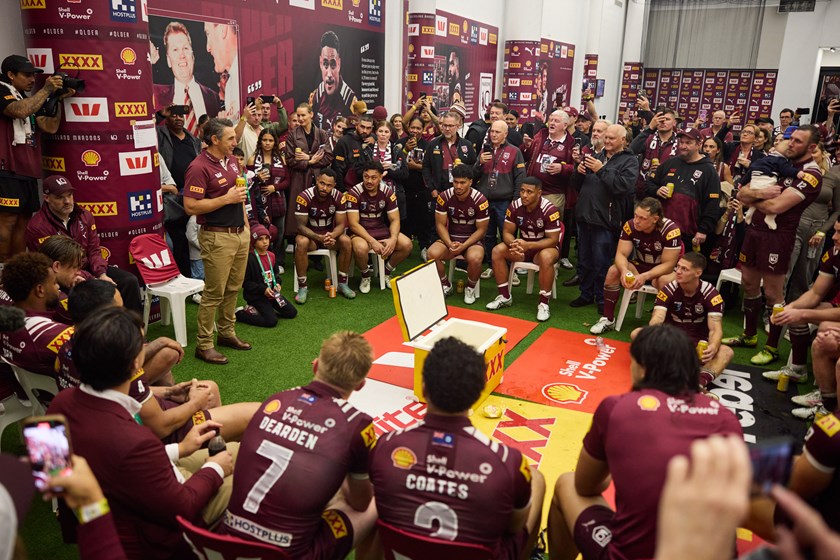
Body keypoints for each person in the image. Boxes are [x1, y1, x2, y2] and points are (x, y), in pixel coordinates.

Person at [47, 306, 235, 560]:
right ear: (136, 363)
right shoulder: (136, 441)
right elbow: (183, 507)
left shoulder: (59, 403)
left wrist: (179, 449)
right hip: (154, 538)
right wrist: (215, 468)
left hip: (107, 516)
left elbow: (50, 478)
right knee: (245, 470)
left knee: (236, 450)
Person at [546, 324, 743, 560]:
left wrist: (617, 463)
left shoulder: (617, 408)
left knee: (566, 483)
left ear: (641, 368)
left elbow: (585, 486)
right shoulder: (726, 417)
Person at [370, 336, 545, 559]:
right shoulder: (508, 461)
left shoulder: (386, 445)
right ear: (477, 394)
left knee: (376, 508)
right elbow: (513, 527)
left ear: (423, 389)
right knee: (536, 479)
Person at [223, 331, 378, 559]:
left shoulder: (276, 400)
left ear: (315, 367)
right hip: (289, 555)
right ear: (360, 385)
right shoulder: (359, 425)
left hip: (225, 543)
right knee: (376, 499)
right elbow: (360, 502)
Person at [59, 279, 260, 443]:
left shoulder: (70, 350)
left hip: (132, 421)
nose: (124, 314)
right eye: (118, 310)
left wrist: (169, 391)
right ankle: (214, 452)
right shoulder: (116, 358)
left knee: (210, 387)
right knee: (255, 414)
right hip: (151, 433)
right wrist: (194, 403)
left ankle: (216, 446)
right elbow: (160, 426)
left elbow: (118, 395)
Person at [723, 126, 824, 366]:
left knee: (772, 293)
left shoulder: (811, 174)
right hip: (754, 231)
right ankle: (748, 335)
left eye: (798, 142)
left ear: (811, 148)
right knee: (748, 283)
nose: (791, 144)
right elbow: (741, 192)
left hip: (778, 236)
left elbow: (776, 207)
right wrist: (758, 193)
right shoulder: (777, 160)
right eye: (791, 139)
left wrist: (754, 195)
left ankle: (771, 347)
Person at [183, 118, 252, 365]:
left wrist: (246, 227)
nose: (235, 142)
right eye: (231, 138)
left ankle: (226, 333)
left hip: (239, 234)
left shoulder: (232, 160)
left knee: (234, 288)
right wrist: (226, 199)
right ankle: (204, 344)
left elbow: (240, 196)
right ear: (214, 140)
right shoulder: (198, 167)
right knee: (214, 293)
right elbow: (190, 206)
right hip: (216, 236)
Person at [25, 175, 143, 312]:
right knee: (89, 293)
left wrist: (101, 274)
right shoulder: (37, 227)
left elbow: (93, 250)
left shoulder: (85, 216)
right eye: (60, 197)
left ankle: (135, 329)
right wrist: (90, 279)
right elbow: (49, 267)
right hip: (61, 277)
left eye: (69, 195)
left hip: (88, 268)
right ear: (46, 198)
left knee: (129, 281)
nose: (67, 201)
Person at [0, 55, 73, 262]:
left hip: (28, 170)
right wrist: (47, 90)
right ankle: (1, 271)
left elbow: (50, 126)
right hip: (7, 168)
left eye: (34, 75)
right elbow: (19, 110)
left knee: (23, 220)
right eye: (27, 75)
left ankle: (15, 269)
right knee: (7, 220)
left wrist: (56, 99)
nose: (32, 79)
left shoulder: (28, 97)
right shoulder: (2, 89)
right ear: (10, 75)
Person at [633, 253, 731, 392]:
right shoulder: (668, 289)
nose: (678, 272)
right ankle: (667, 371)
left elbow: (716, 329)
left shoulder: (711, 294)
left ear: (698, 273)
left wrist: (714, 346)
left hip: (698, 343)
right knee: (637, 334)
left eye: (684, 269)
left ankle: (698, 383)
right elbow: (657, 318)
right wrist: (658, 339)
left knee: (726, 351)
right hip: (673, 339)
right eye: (678, 267)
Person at [570, 124, 639, 316]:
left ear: (623, 141)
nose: (607, 141)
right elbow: (576, 186)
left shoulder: (630, 161)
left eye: (611, 138)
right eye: (606, 137)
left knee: (602, 263)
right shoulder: (597, 157)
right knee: (584, 261)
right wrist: (579, 171)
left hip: (606, 221)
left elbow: (622, 188)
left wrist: (601, 170)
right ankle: (586, 294)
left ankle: (602, 299)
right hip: (584, 216)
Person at [590, 197, 682, 335]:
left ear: (655, 219)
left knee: (665, 281)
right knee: (613, 271)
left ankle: (664, 327)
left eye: (642, 218)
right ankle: (608, 318)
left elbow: (669, 265)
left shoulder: (671, 230)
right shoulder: (630, 225)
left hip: (662, 270)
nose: (637, 221)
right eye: (635, 216)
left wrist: (644, 276)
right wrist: (624, 270)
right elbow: (620, 254)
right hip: (640, 264)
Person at [485, 177, 562, 322]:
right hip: (522, 247)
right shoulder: (514, 206)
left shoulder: (550, 209)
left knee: (546, 256)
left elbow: (553, 240)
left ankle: (544, 303)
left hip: (543, 248)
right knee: (497, 251)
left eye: (529, 192)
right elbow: (507, 232)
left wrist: (528, 245)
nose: (524, 195)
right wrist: (514, 244)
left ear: (539, 193)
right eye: (522, 191)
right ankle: (504, 296)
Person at [644, 127, 722, 251]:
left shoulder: (709, 171)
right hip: (660, 228)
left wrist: (703, 230)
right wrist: (656, 190)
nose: (683, 146)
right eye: (682, 142)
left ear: (698, 144)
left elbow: (712, 205)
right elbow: (648, 184)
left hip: (687, 233)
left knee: (680, 269)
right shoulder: (670, 163)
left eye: (688, 143)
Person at [0, 252, 74, 377]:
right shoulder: (56, 335)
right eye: (54, 282)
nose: (58, 288)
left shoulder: (6, 321)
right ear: (40, 290)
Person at [345, 161, 412, 293]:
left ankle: (386, 272)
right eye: (366, 177)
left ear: (381, 177)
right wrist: (372, 241)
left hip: (380, 228)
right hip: (360, 231)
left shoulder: (387, 192)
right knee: (360, 247)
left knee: (407, 244)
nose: (369, 181)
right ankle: (365, 275)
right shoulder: (354, 192)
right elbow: (353, 224)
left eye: (373, 177)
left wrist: (393, 239)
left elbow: (395, 219)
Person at [427, 164, 489, 304]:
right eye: (456, 182)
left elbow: (481, 230)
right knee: (431, 254)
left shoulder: (480, 200)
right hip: (451, 238)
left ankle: (470, 287)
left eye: (463, 182)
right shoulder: (444, 196)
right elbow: (440, 225)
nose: (458, 186)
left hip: (472, 240)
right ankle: (445, 284)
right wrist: (449, 243)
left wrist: (464, 245)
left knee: (475, 258)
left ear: (470, 182)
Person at [293, 168, 356, 303]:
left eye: (329, 185)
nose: (324, 188)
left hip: (329, 235)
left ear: (333, 186)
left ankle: (342, 283)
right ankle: (303, 286)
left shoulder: (339, 197)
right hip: (311, 236)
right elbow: (300, 227)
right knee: (301, 242)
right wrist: (318, 237)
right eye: (322, 183)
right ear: (317, 180)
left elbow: (340, 224)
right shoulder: (304, 197)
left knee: (345, 240)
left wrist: (332, 235)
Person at [473, 120, 526, 275]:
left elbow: (520, 178)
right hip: (485, 201)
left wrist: (515, 202)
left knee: (507, 237)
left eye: (497, 132)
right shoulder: (484, 151)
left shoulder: (515, 151)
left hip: (505, 201)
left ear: (506, 134)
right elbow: (473, 175)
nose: (493, 135)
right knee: (487, 235)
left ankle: (510, 269)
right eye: (492, 131)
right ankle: (492, 265)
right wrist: (479, 163)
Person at [156, 105, 202, 276]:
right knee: (178, 239)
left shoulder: (191, 138)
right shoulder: (161, 135)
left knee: (194, 237)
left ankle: (196, 275)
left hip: (193, 195)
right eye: (174, 115)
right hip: (172, 198)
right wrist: (161, 114)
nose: (178, 118)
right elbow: (146, 129)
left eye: (181, 115)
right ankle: (182, 275)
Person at [152, 21, 220, 133]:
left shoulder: (213, 97)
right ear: (169, 60)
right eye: (175, 50)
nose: (182, 55)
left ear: (192, 56)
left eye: (185, 48)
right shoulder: (156, 95)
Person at [285, 102, 333, 238]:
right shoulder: (292, 136)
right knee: (298, 211)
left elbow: (328, 156)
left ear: (311, 115)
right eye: (298, 115)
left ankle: (319, 241)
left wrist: (308, 157)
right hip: (299, 178)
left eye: (303, 115)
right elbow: (290, 160)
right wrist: (310, 161)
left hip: (318, 178)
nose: (300, 118)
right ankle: (296, 244)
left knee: (317, 212)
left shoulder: (323, 134)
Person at [235, 224, 297, 328]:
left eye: (267, 238)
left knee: (292, 313)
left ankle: (264, 311)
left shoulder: (271, 255)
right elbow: (245, 283)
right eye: (261, 239)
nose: (265, 242)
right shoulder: (250, 258)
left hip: (273, 294)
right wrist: (263, 290)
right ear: (254, 242)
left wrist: (277, 283)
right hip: (257, 296)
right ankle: (241, 313)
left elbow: (276, 274)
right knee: (271, 321)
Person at [248, 128, 289, 260]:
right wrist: (256, 178)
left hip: (278, 201)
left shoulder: (281, 158)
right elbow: (248, 182)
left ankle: (278, 260)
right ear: (260, 141)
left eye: (270, 140)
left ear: (275, 142)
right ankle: (261, 259)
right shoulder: (252, 159)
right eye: (264, 140)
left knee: (280, 232)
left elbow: (288, 181)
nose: (267, 143)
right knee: (262, 232)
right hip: (260, 203)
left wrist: (274, 187)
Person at [395, 116, 433, 255]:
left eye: (418, 128)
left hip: (422, 188)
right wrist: (405, 151)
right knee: (404, 219)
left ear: (423, 130)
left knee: (424, 220)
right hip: (403, 188)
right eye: (413, 128)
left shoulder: (428, 146)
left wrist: (414, 166)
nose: (415, 131)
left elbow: (430, 167)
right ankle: (404, 247)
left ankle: (424, 247)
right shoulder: (400, 143)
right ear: (408, 128)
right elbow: (396, 165)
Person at [422, 111, 477, 204]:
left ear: (458, 126)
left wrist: (464, 168)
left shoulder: (466, 145)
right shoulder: (433, 144)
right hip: (439, 191)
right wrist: (431, 189)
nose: (447, 129)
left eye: (451, 126)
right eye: (444, 125)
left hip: (461, 191)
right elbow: (426, 167)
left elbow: (474, 167)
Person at [309, 30, 358, 130]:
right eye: (326, 64)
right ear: (320, 63)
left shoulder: (350, 101)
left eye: (333, 64)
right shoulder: (315, 98)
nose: (329, 74)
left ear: (339, 64)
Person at [630, 107, 680, 199]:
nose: (663, 122)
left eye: (667, 119)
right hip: (644, 192)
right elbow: (632, 150)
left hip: (668, 193)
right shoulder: (648, 138)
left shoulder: (680, 142)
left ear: (674, 123)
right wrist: (650, 128)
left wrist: (663, 169)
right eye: (660, 119)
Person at [204, 22, 239, 120]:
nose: (208, 48)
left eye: (208, 34)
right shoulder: (229, 86)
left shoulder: (248, 74)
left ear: (223, 29)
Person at [333, 113, 374, 191]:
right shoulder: (344, 141)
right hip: (349, 188)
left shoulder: (373, 141)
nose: (365, 131)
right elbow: (337, 169)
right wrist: (342, 191)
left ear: (372, 128)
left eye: (368, 128)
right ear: (356, 125)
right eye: (362, 127)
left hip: (369, 188)